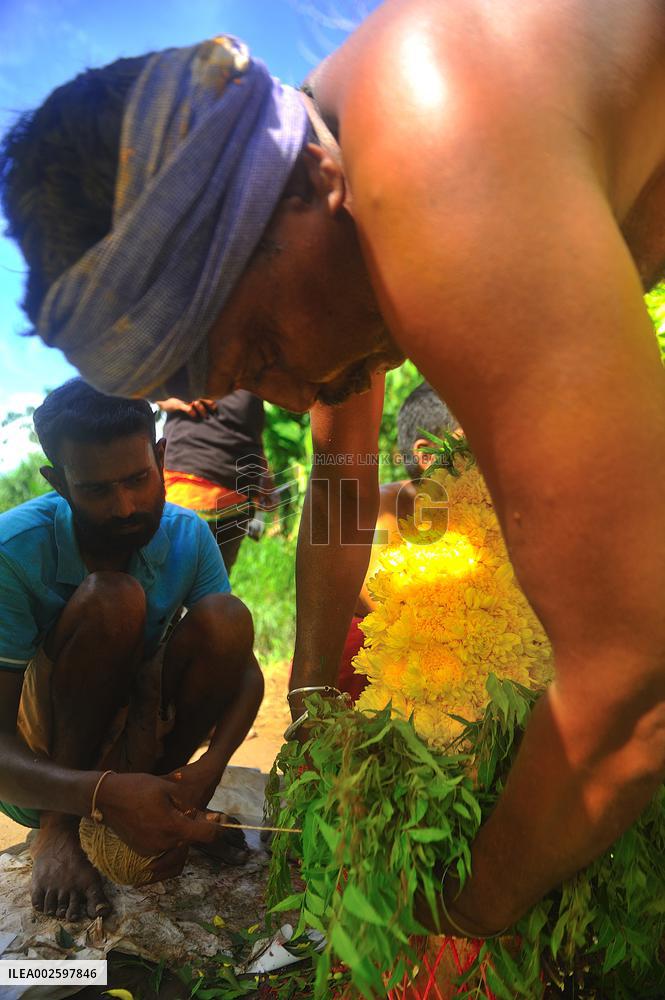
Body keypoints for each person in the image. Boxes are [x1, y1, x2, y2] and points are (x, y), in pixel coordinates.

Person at [1, 0, 664, 940]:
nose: (289, 393)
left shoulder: (438, 154)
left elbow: (634, 685)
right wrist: (311, 699)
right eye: (247, 381)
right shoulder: (337, 222)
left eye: (262, 344)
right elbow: (345, 478)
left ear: (311, 182)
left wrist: (463, 917)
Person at [0, 380, 264, 921]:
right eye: (96, 490)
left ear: (161, 456)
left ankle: (165, 802)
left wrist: (207, 771)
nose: (125, 507)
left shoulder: (188, 534)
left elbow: (244, 673)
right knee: (113, 599)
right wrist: (94, 796)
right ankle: (59, 829)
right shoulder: (12, 552)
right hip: (47, 758)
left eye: (139, 479)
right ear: (60, 483)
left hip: (138, 731)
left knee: (227, 618)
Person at [338, 381, 461, 701]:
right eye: (474, 443)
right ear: (427, 455)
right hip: (381, 661)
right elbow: (382, 605)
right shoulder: (383, 509)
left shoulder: (484, 509)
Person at [157, 390, 276, 573]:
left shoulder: (254, 366)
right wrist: (165, 399)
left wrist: (264, 472)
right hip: (188, 487)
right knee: (171, 589)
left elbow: (251, 422)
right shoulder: (191, 363)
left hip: (239, 497)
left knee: (216, 591)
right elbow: (131, 378)